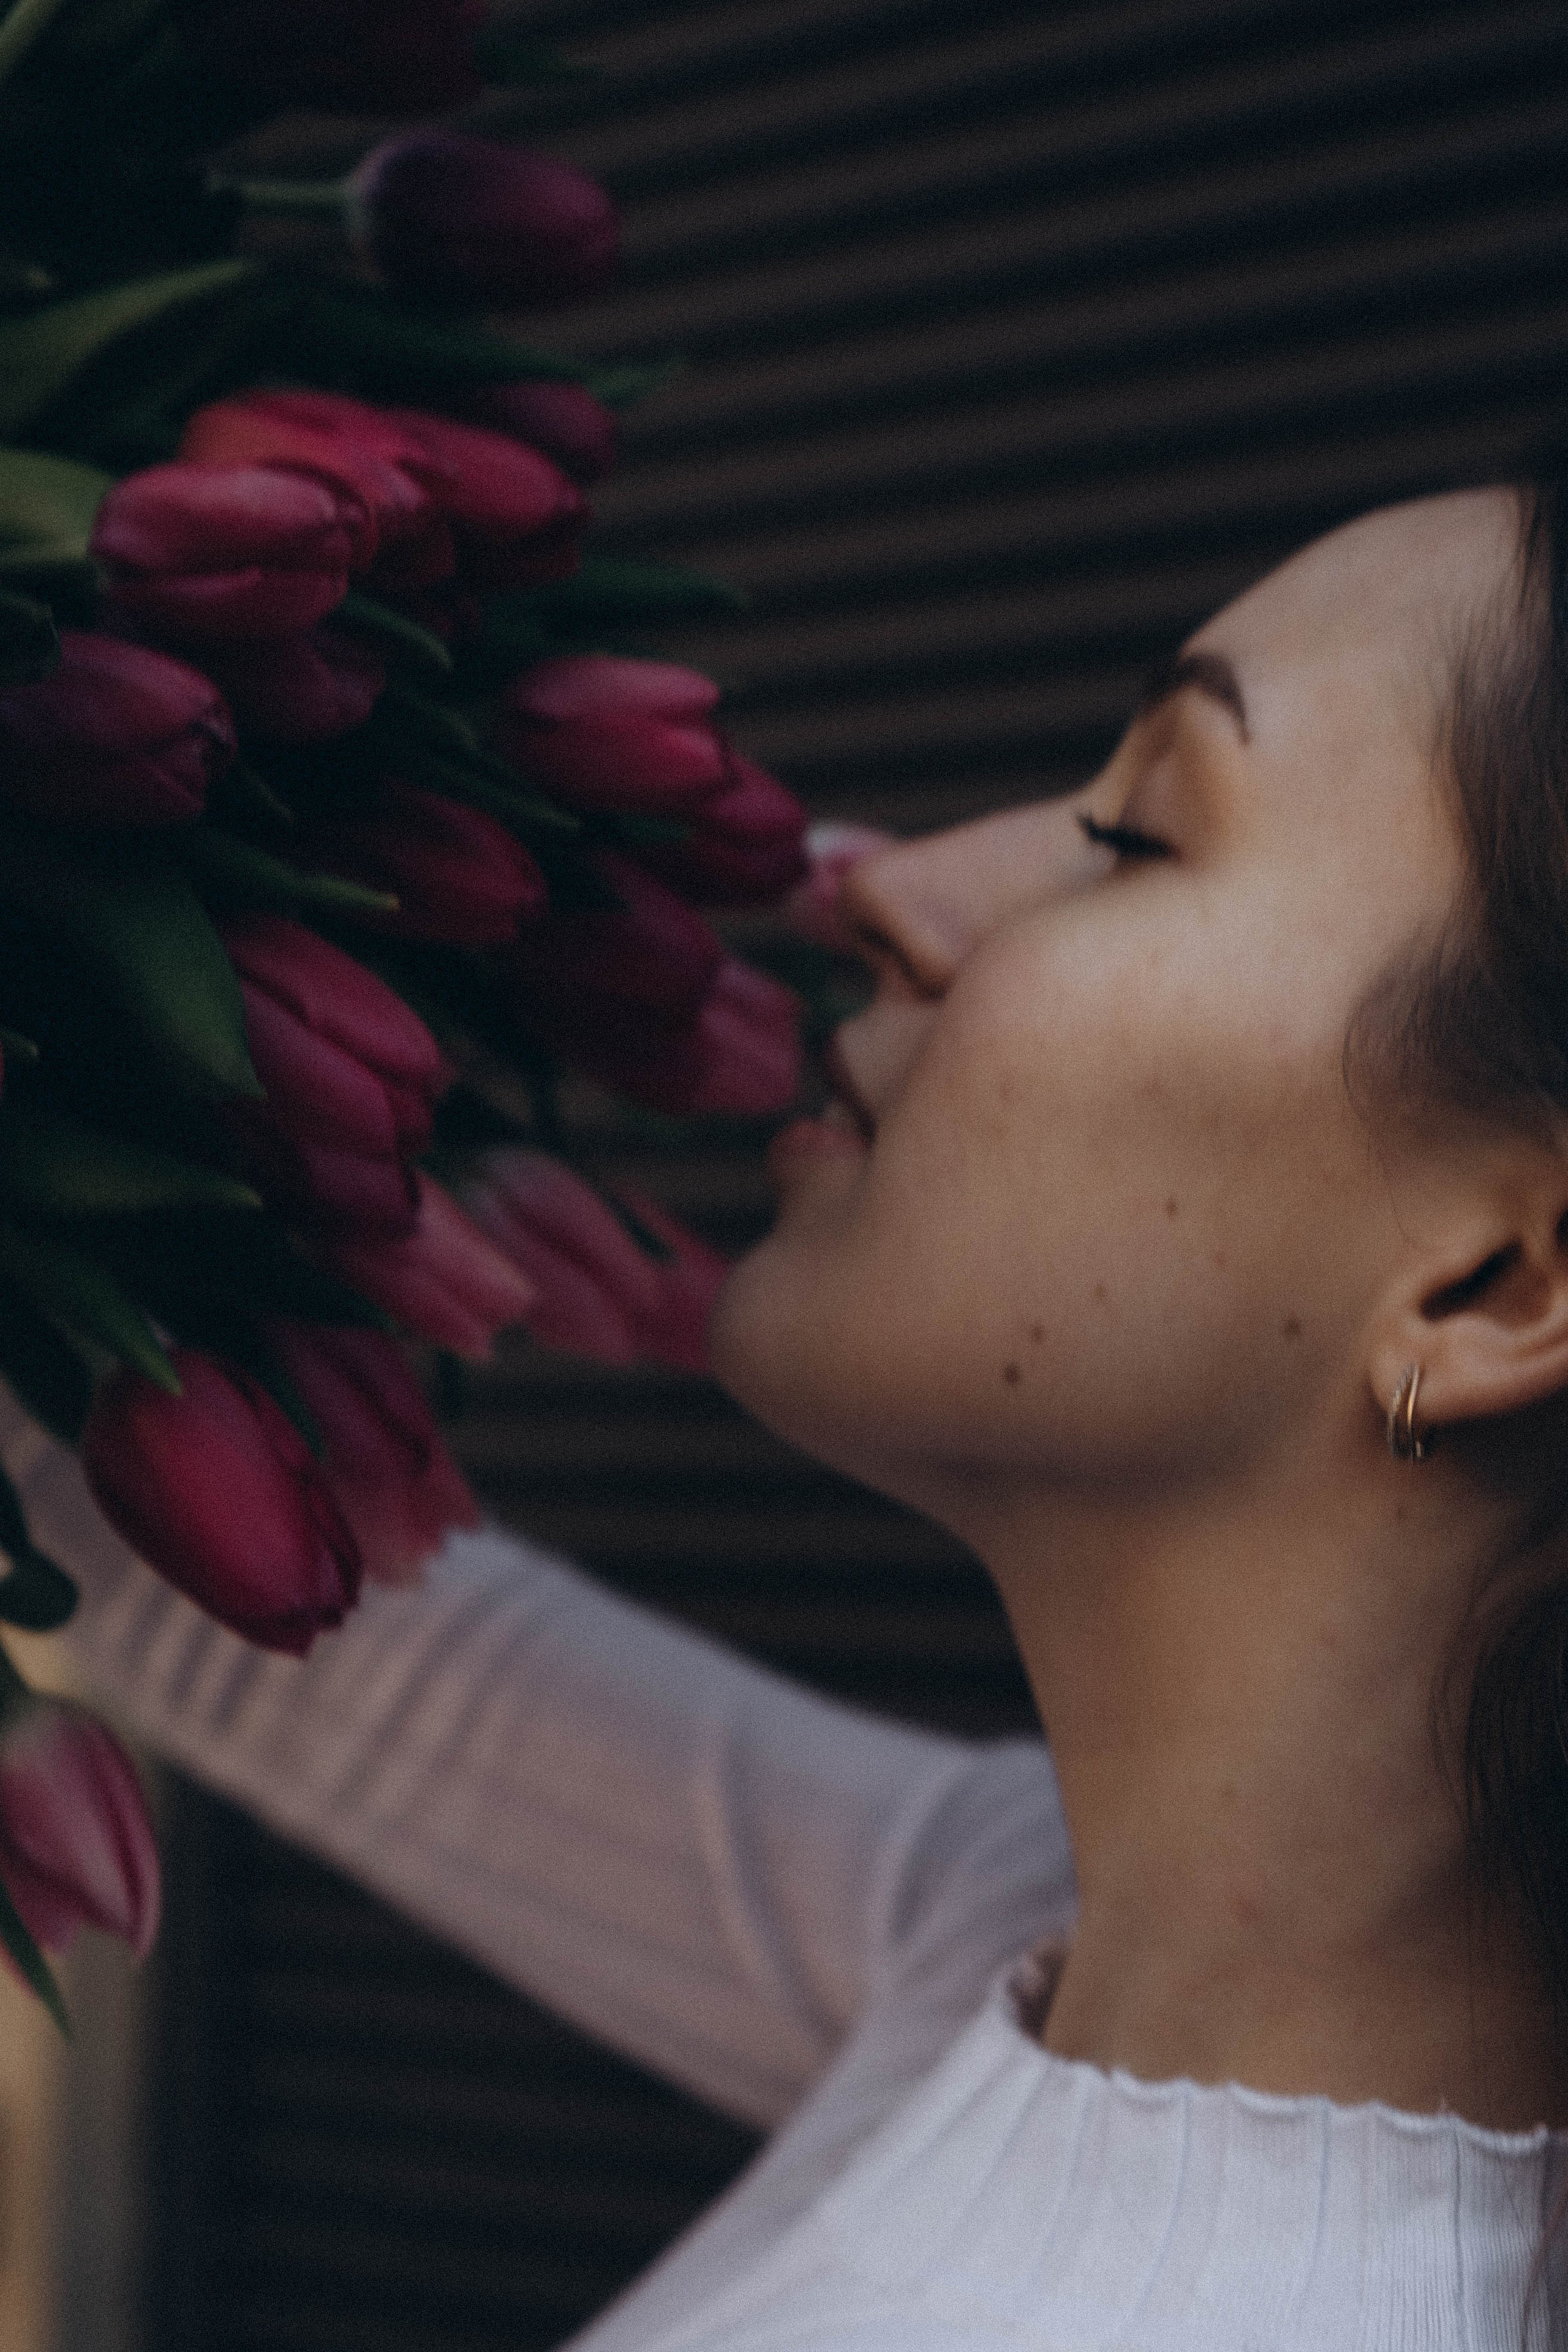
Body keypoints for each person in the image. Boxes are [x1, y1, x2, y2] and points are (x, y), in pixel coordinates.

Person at [12, 478, 1568, 2346]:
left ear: (1503, 1283)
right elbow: (352, 1671)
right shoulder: (1050, 1934)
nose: (883, 884)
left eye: (1140, 831)